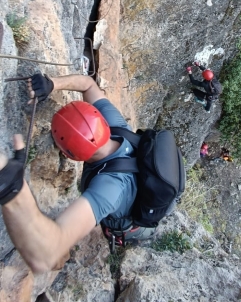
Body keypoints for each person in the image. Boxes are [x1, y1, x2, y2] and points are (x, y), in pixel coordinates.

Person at [0, 73, 156, 274]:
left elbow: (47, 254)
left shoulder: (110, 187)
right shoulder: (117, 127)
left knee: (126, 228)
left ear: (70, 155)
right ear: (99, 119)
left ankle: (126, 235)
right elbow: (88, 85)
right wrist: (51, 84)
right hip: (136, 182)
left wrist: (11, 186)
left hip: (134, 224)